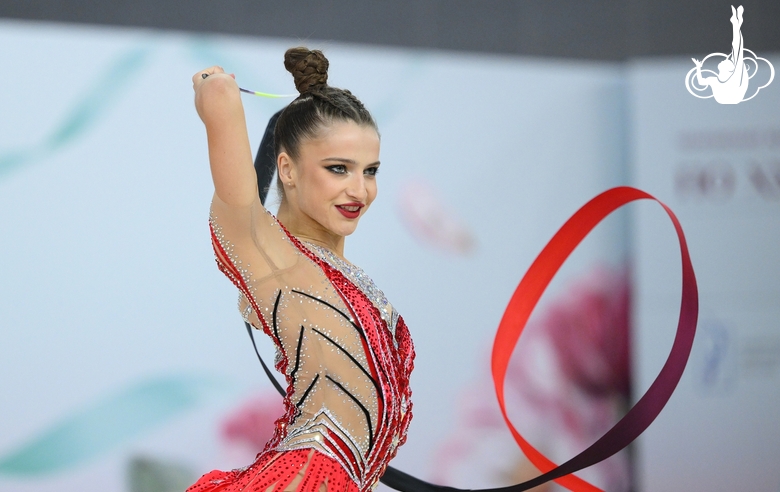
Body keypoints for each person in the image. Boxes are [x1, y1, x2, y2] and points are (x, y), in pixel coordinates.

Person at [187, 48, 415, 492]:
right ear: (287, 170)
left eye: (370, 170)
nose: (359, 189)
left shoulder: (347, 273)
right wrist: (214, 84)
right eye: (338, 169)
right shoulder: (271, 254)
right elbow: (216, 96)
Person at [691, 5, 748, 104]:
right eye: (727, 60)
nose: (725, 59)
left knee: (737, 50)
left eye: (727, 61)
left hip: (733, 97)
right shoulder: (714, 80)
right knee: (737, 51)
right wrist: (698, 67)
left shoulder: (735, 77)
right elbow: (701, 82)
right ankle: (736, 24)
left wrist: (736, 26)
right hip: (726, 98)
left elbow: (737, 48)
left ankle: (736, 24)